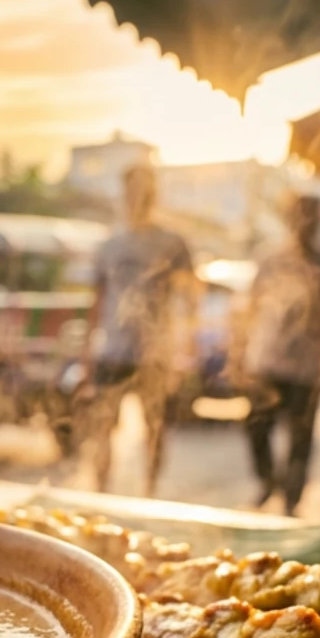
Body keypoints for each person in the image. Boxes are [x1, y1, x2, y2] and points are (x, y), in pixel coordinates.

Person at [86, 163, 193, 495]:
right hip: (113, 350)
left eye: (145, 189)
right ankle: (100, 491)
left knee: (155, 427)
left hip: (155, 353)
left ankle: (150, 490)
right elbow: (97, 300)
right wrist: (87, 352)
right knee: (103, 426)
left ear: (154, 194)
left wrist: (184, 350)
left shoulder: (172, 243)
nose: (138, 197)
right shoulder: (110, 244)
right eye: (132, 189)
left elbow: (192, 298)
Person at [234, 194, 320, 509]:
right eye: (300, 215)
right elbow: (251, 307)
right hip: (266, 358)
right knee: (256, 426)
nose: (305, 223)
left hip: (306, 366)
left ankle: (292, 498)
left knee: (301, 436)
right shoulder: (270, 258)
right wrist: (240, 352)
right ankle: (267, 480)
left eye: (311, 216)